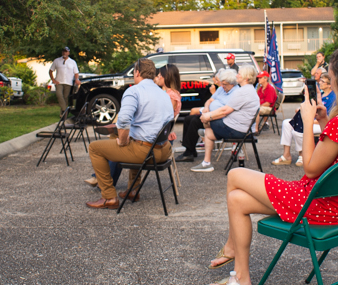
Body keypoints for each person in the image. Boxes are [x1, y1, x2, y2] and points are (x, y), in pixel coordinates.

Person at [203, 33, 338, 285]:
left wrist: (308, 118)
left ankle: (232, 249)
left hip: (315, 205)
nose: (330, 82)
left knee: (235, 174)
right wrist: (324, 123)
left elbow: (312, 168)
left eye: (332, 77)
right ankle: (242, 279)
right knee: (237, 200)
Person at [86, 58, 174, 210]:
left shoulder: (134, 90)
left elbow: (124, 120)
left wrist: (122, 140)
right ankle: (133, 190)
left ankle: (109, 197)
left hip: (145, 153)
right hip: (164, 151)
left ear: (137, 72)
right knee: (134, 139)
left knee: (95, 147)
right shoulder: (163, 94)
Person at [191, 65, 261, 173]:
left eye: (239, 74)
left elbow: (225, 111)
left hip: (237, 130)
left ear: (246, 78)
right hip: (241, 128)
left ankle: (204, 131)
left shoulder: (243, 92)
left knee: (208, 121)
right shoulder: (248, 90)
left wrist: (208, 116)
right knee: (209, 133)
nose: (237, 75)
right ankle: (206, 163)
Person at [273, 66, 334, 166]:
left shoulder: (332, 98)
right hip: (312, 120)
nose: (319, 82)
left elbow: (330, 118)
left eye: (322, 81)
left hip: (321, 123)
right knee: (286, 123)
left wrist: (309, 119)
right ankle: (286, 155)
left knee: (298, 129)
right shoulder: (320, 94)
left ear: (329, 85)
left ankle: (302, 156)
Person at [175, 71, 234, 163]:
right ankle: (191, 148)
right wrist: (206, 108)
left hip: (219, 118)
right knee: (188, 119)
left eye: (224, 84)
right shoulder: (222, 89)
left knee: (195, 121)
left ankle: (188, 153)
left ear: (232, 83)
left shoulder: (235, 93)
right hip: (210, 113)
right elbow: (209, 100)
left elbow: (224, 111)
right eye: (222, 83)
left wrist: (209, 115)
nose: (222, 86)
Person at [49, 46, 80, 117]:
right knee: (59, 94)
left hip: (68, 82)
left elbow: (76, 72)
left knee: (65, 97)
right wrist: (53, 80)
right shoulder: (57, 61)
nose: (64, 53)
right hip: (59, 82)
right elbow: (51, 70)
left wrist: (77, 79)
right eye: (63, 51)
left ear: (68, 52)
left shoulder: (72, 62)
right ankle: (64, 109)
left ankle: (63, 114)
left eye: (66, 51)